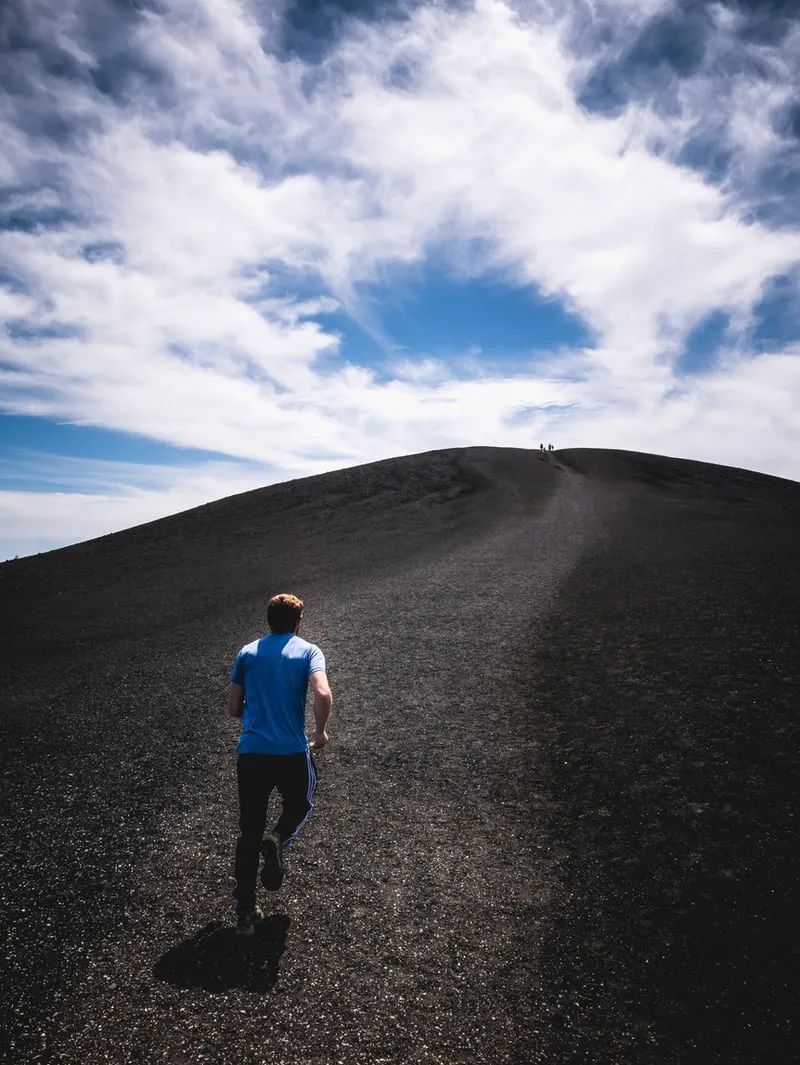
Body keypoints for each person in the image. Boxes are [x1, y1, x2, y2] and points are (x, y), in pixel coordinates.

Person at [228, 593, 332, 935]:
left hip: (252, 752)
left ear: (269, 620)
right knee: (301, 803)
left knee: (248, 829)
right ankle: (278, 837)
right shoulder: (308, 651)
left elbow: (233, 707)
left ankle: (245, 912)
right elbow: (322, 693)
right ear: (298, 621)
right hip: (290, 750)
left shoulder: (247, 652)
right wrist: (319, 732)